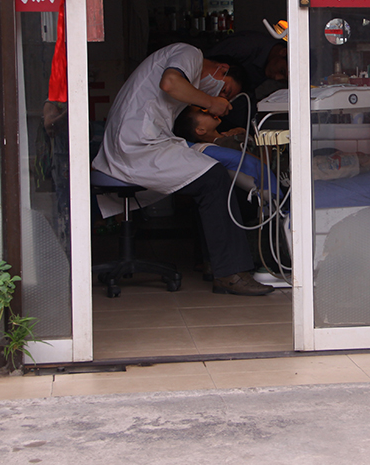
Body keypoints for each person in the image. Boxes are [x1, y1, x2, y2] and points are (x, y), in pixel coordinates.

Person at [92, 42, 274, 296]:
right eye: (226, 90)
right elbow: (170, 83)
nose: (224, 99)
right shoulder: (190, 53)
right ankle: (230, 273)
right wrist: (211, 101)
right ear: (222, 69)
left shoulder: (184, 70)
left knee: (207, 176)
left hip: (138, 142)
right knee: (214, 178)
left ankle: (213, 262)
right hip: (136, 145)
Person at [172, 105, 370, 183]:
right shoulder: (226, 144)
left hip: (288, 166)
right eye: (203, 112)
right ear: (200, 129)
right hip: (288, 172)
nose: (210, 108)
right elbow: (260, 161)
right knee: (361, 162)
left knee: (359, 159)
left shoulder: (220, 142)